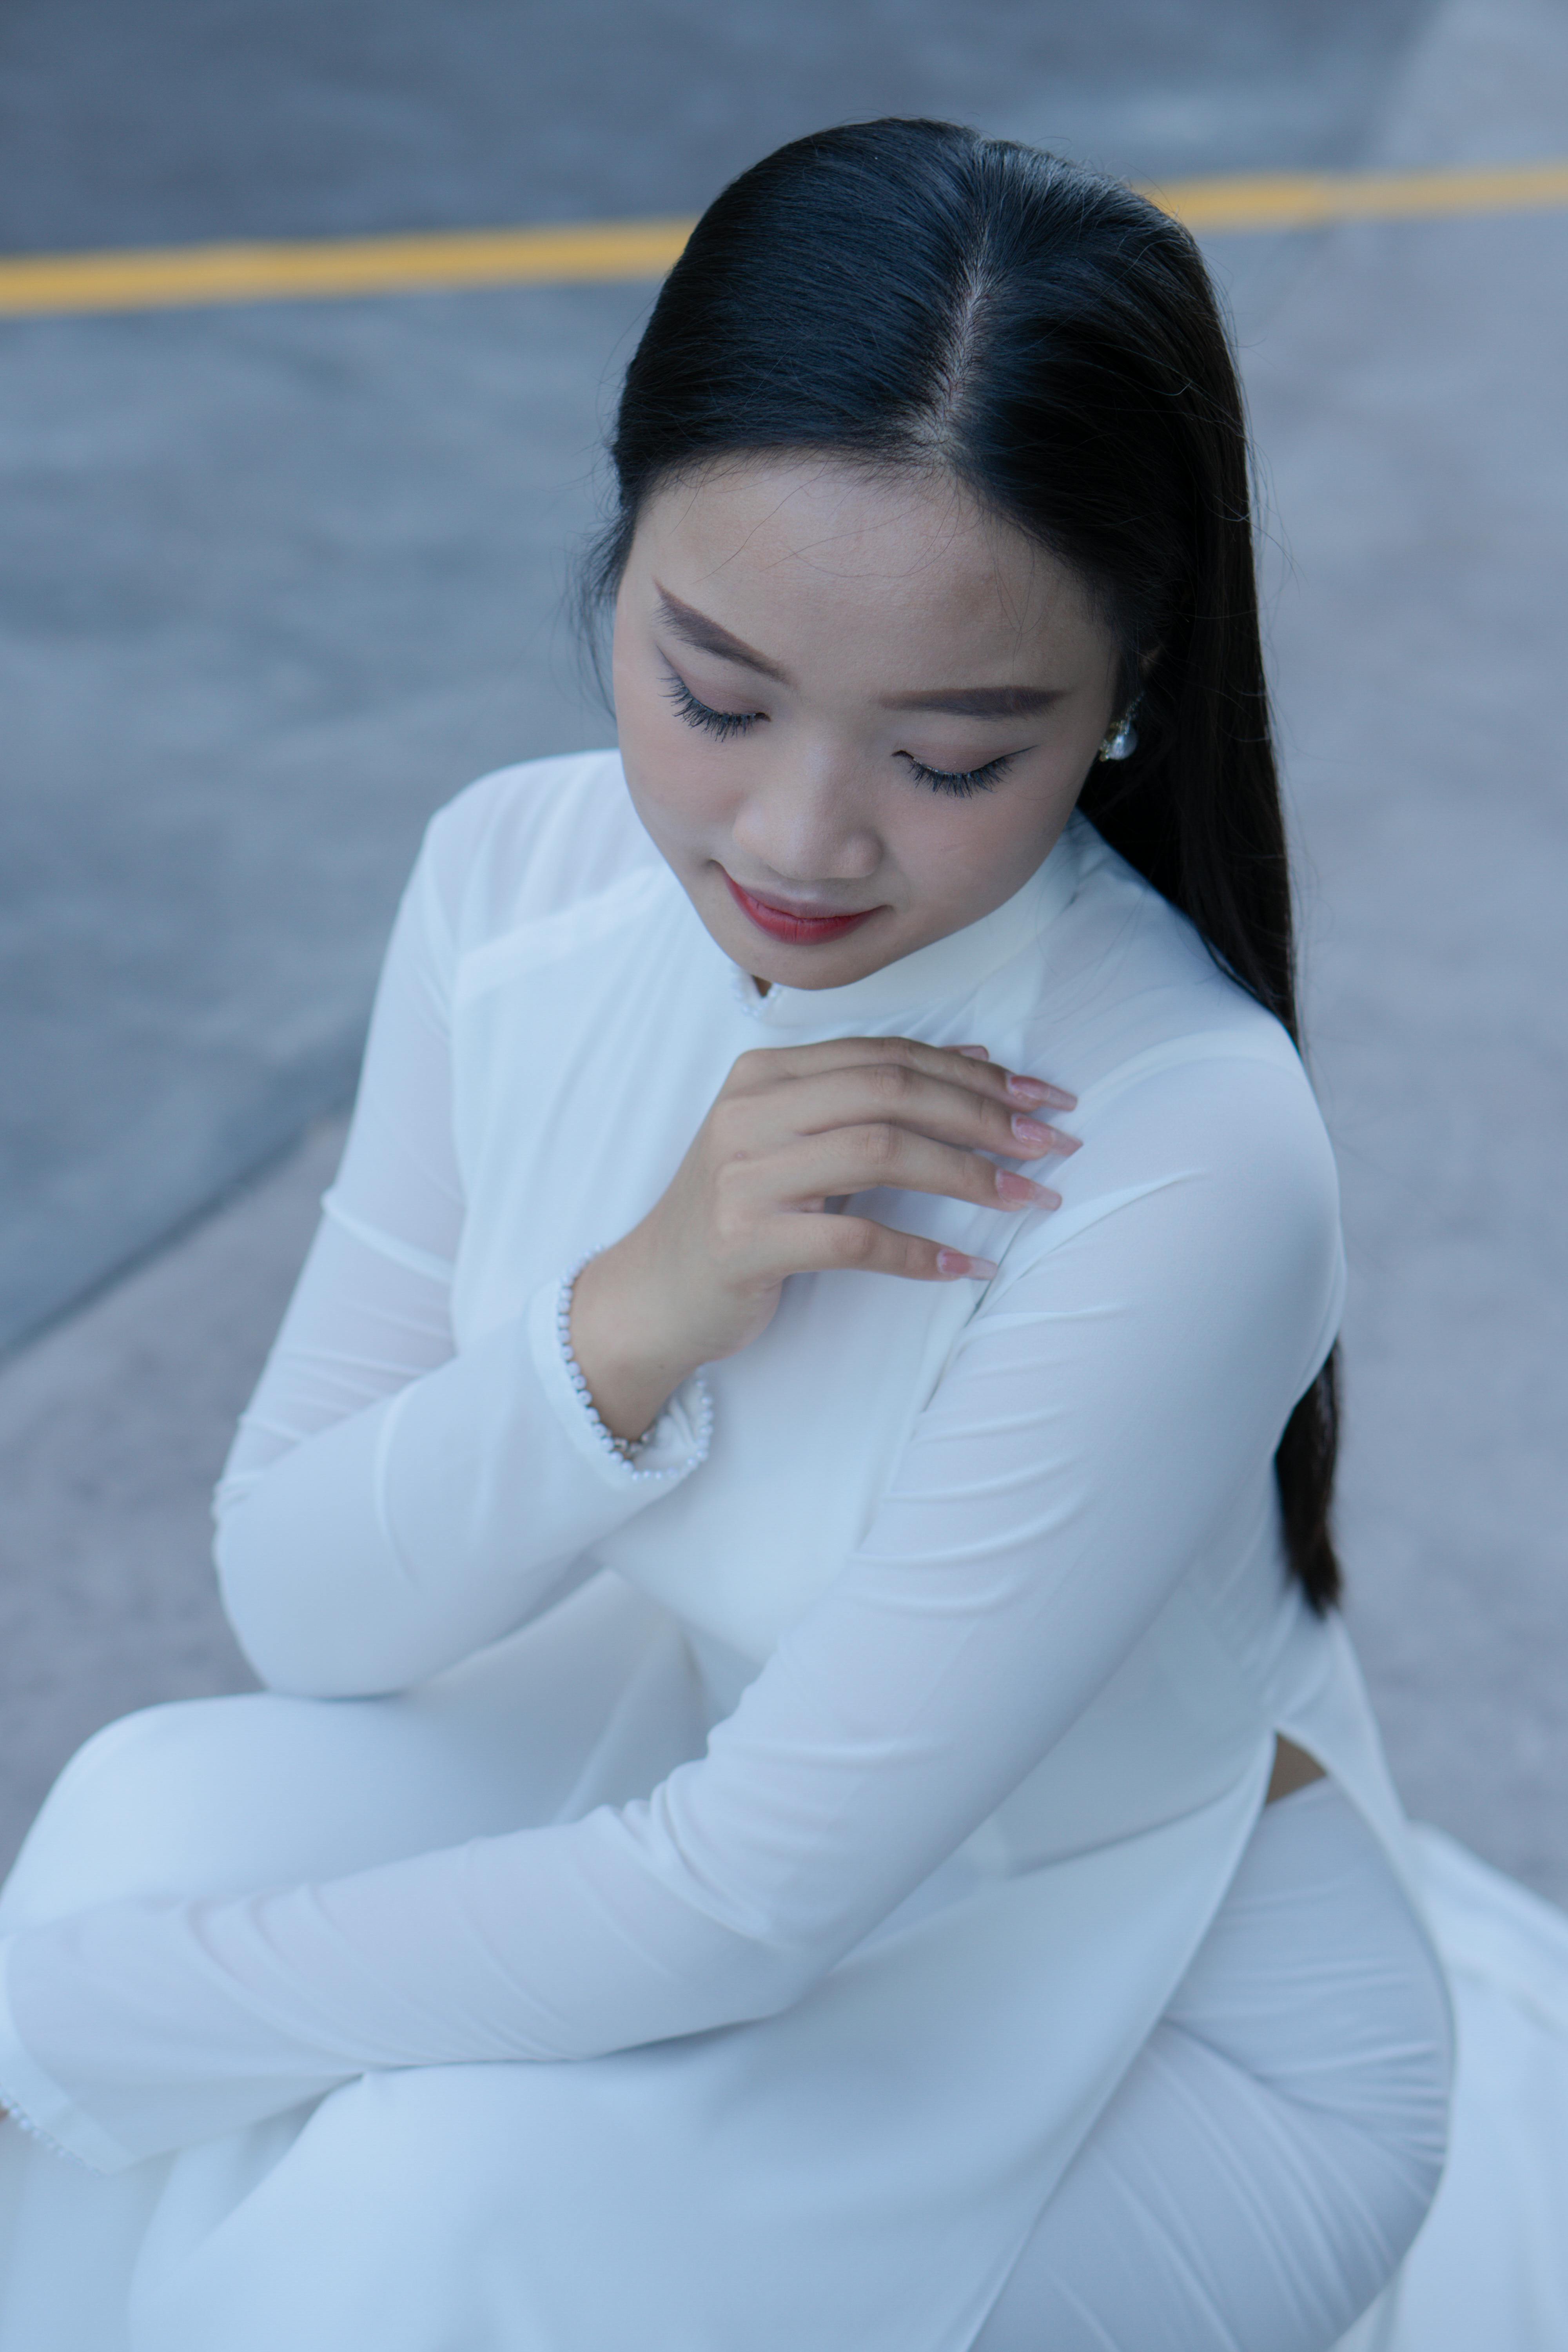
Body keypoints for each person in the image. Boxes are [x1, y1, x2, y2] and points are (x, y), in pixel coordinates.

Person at [0, 116, 1562, 2352]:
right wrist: (627, 1322)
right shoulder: (511, 883)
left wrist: (82, 2029)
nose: (800, 836)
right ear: (617, 556)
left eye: (952, 756)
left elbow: (745, 1907)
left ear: (1125, 699)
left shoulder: (1190, 1148)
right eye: (714, 695)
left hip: (1162, 1995)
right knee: (143, 1816)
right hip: (713, 1762)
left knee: (419, 2209)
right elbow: (306, 1612)